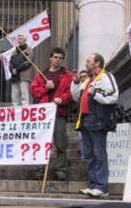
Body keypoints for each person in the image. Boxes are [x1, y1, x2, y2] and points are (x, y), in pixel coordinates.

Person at [71, 52, 119, 198]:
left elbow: (114, 96)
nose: (86, 63)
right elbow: (76, 97)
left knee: (99, 153)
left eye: (89, 60)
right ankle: (93, 185)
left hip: (98, 120)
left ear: (97, 63)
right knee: (89, 155)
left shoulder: (105, 76)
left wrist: (95, 93)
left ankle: (102, 186)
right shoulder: (88, 80)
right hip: (85, 120)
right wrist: (75, 83)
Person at [30, 47, 73, 181]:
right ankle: (39, 170)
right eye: (55, 57)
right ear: (50, 58)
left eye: (60, 58)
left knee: (61, 143)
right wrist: (45, 88)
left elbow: (71, 93)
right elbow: (34, 91)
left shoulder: (67, 75)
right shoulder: (41, 75)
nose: (58, 60)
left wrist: (62, 99)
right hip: (44, 114)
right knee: (41, 142)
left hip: (59, 112)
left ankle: (61, 170)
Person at [9, 34, 33, 106]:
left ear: (25, 40)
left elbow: (28, 62)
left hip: (23, 76)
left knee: (24, 97)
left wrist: (17, 69)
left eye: (20, 39)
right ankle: (16, 112)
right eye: (18, 39)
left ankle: (25, 112)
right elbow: (10, 62)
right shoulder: (14, 51)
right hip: (14, 76)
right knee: (15, 97)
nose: (18, 40)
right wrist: (12, 69)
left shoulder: (29, 49)